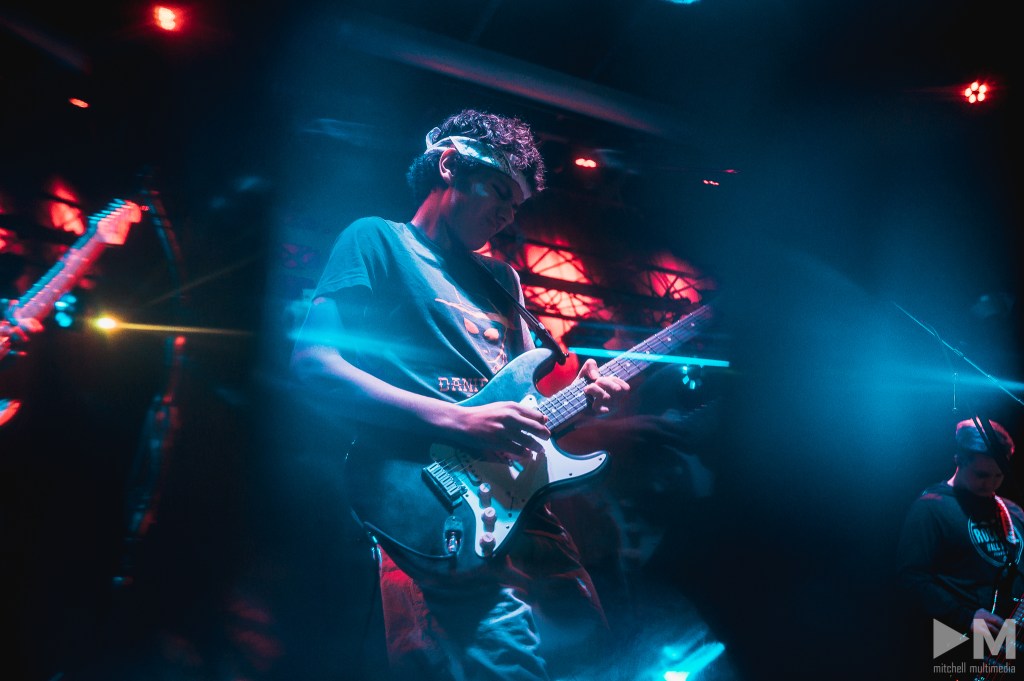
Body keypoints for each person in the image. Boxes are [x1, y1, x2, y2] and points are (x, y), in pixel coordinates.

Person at [288, 109, 636, 681]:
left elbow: (523, 409)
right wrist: (459, 421)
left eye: (517, 205)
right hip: (433, 498)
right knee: (507, 660)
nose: (507, 214)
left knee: (595, 653)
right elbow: (314, 364)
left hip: (520, 501)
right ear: (449, 165)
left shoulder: (503, 280)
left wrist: (581, 400)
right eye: (500, 191)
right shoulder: (376, 239)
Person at [897, 417, 1024, 671]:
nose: (991, 484)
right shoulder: (931, 508)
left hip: (1005, 645)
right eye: (982, 475)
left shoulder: (1013, 513)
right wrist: (966, 618)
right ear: (959, 460)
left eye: (999, 475)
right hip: (954, 644)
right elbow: (911, 578)